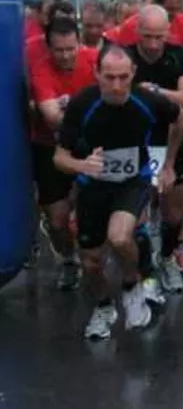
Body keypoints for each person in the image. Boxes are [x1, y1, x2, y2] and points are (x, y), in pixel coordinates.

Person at [54, 45, 183, 340]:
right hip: (93, 187)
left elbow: (180, 118)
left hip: (132, 181)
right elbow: (59, 157)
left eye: (123, 77)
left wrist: (169, 165)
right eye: (109, 77)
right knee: (91, 261)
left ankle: (131, 284)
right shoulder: (82, 104)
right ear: (96, 73)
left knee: (120, 237)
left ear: (133, 73)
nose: (116, 86)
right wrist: (81, 165)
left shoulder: (148, 100)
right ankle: (104, 307)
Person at [127, 5, 183, 297]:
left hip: (175, 139)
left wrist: (154, 92)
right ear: (136, 32)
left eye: (159, 37)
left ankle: (168, 256)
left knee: (173, 213)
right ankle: (145, 271)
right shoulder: (124, 56)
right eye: (146, 36)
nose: (152, 44)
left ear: (168, 33)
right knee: (138, 214)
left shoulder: (180, 57)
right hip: (136, 141)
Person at [29, 17, 99, 290]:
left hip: (91, 145)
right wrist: (88, 109)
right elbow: (52, 117)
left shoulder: (94, 60)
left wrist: (70, 107)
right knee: (57, 220)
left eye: (71, 48)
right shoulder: (41, 70)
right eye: (59, 50)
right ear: (49, 49)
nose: (66, 55)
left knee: (95, 214)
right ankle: (68, 260)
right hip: (50, 146)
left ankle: (95, 261)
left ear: (79, 44)